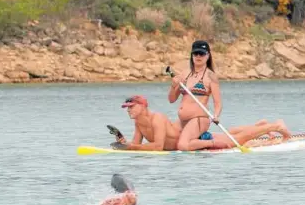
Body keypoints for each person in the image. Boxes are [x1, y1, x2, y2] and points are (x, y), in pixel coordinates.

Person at [110, 95, 291, 151]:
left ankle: (275, 126)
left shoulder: (157, 118)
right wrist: (125, 143)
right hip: (192, 140)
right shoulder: (139, 124)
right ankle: (259, 126)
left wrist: (131, 148)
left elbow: (157, 147)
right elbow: (136, 145)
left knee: (233, 140)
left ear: (143, 106)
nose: (128, 110)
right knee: (230, 133)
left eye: (131, 107)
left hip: (196, 138)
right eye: (127, 107)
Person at [168, 40, 222, 151]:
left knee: (182, 146)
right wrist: (173, 86)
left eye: (201, 53)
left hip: (199, 119)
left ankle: (211, 143)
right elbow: (172, 99)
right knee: (168, 141)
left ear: (208, 55)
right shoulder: (184, 73)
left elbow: (218, 103)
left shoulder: (211, 76)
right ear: (192, 55)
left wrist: (215, 116)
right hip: (182, 120)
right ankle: (199, 138)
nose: (198, 56)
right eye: (195, 53)